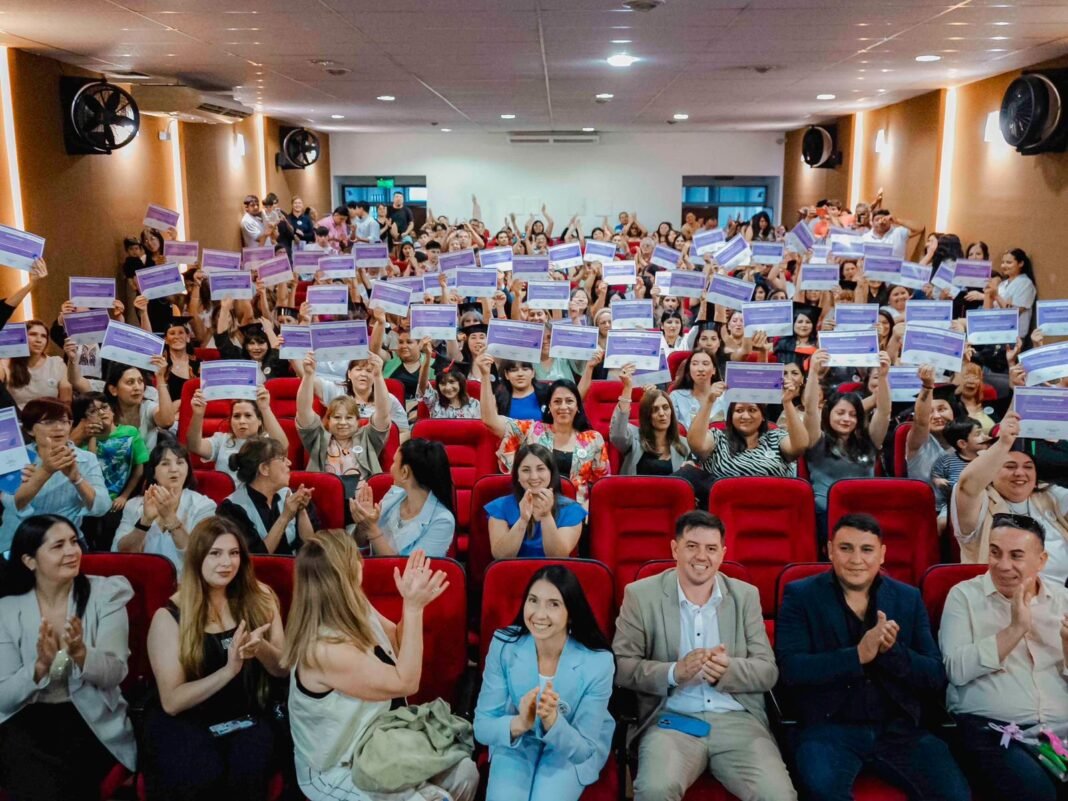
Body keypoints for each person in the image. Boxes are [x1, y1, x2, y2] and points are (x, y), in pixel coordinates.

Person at [775, 513, 969, 801]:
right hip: (828, 728)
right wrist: (857, 655)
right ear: (829, 550)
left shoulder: (907, 598)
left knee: (955, 795)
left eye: (866, 549)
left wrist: (894, 653)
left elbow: (934, 676)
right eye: (845, 548)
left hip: (899, 729)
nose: (856, 559)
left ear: (882, 554)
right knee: (822, 791)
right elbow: (791, 670)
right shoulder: (801, 596)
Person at [613, 510, 795, 801]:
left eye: (711, 549)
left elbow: (767, 671)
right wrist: (675, 672)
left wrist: (728, 671)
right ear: (674, 549)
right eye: (692, 546)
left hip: (738, 720)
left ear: (722, 554)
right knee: (654, 791)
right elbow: (621, 666)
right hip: (670, 720)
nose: (702, 556)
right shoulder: (640, 595)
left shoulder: (745, 596)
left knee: (778, 796)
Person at [283, 534, 479, 801]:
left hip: (379, 741)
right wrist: (413, 608)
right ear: (342, 572)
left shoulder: (355, 605)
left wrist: (412, 599)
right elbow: (407, 682)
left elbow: (398, 644)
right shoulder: (324, 650)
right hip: (339, 767)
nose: (361, 562)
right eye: (354, 556)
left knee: (466, 773)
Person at [144, 517, 286, 800]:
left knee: (247, 769)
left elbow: (282, 670)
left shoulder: (262, 597)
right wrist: (229, 670)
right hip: (189, 717)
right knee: (202, 774)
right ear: (197, 557)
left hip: (248, 711)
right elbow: (172, 702)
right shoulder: (169, 616)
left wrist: (261, 650)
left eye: (234, 553)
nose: (227, 563)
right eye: (215, 554)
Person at [0, 514, 137, 801]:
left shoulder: (106, 593)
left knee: (66, 776)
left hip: (87, 717)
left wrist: (82, 655)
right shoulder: (7, 610)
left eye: (74, 542)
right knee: (28, 766)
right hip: (24, 717)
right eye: (58, 545)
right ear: (29, 561)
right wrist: (38, 668)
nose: (72, 551)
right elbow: (4, 697)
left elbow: (116, 673)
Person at [939, 513, 1068, 801]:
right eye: (995, 553)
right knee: (1037, 794)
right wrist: (1015, 629)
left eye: (1016, 556)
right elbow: (956, 671)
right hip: (990, 728)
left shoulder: (1063, 601)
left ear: (1042, 561)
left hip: (1059, 731)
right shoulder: (964, 596)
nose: (1003, 565)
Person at [474, 565, 615, 801]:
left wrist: (553, 723)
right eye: (533, 600)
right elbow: (482, 727)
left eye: (554, 604)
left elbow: (583, 750)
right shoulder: (504, 645)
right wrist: (519, 723)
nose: (539, 614)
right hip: (517, 740)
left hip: (569, 745)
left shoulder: (598, 662)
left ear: (571, 612)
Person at [479, 354, 608, 508]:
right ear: (549, 407)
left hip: (578, 512)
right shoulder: (533, 430)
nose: (563, 407)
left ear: (577, 406)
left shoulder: (593, 439)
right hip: (535, 509)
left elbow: (603, 487)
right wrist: (485, 375)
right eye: (557, 402)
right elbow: (489, 419)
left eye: (569, 401)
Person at [952, 411, 1068, 583]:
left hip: (1059, 600)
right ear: (992, 473)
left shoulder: (1050, 497)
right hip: (1001, 601)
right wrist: (1004, 442)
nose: (1020, 473)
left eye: (1028, 467)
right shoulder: (981, 502)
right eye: (1010, 466)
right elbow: (968, 484)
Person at [1, 399, 110, 553]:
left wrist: (77, 479)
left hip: (65, 542)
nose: (59, 427)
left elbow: (102, 507)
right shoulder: (15, 457)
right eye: (48, 422)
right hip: (18, 542)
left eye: (64, 421)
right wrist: (46, 471)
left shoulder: (86, 459)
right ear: (30, 429)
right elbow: (12, 503)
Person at [803, 350, 892, 535]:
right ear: (828, 415)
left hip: (865, 516)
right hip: (825, 516)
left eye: (853, 415)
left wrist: (883, 377)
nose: (846, 419)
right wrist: (813, 372)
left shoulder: (870, 440)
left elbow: (884, 412)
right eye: (840, 413)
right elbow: (810, 410)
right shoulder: (816, 440)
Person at [679, 381, 808, 506]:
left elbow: (800, 446)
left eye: (752, 410)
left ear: (763, 416)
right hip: (726, 511)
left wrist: (787, 402)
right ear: (731, 416)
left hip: (771, 508)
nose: (745, 416)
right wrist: (709, 401)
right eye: (739, 410)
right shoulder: (718, 437)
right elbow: (695, 443)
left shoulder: (776, 437)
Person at [113, 440, 216, 572]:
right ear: (153, 473)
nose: (174, 469)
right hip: (143, 578)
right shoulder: (133, 506)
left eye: (180, 462)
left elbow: (201, 556)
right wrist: (145, 522)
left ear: (188, 469)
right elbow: (122, 553)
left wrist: (170, 518)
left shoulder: (203, 506)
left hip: (187, 582)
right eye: (165, 464)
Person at [349, 439, 456, 557]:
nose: (391, 468)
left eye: (394, 462)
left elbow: (408, 569)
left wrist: (372, 529)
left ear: (405, 472)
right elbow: (361, 546)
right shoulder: (394, 494)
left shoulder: (442, 520)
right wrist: (363, 525)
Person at [297, 351, 391, 479]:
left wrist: (378, 376)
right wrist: (308, 375)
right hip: (324, 494)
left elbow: (383, 412)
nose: (343, 422)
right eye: (336, 417)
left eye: (349, 418)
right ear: (328, 420)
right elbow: (303, 410)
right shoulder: (318, 438)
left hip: (363, 495)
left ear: (358, 421)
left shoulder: (368, 437)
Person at [485, 444, 587, 559]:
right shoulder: (499, 507)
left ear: (551, 473)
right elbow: (501, 556)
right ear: (517, 475)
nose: (533, 476)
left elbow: (557, 556)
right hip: (512, 573)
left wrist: (546, 516)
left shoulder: (571, 510)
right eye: (526, 470)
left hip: (553, 575)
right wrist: (523, 520)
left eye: (540, 469)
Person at [218, 438, 315, 555]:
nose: (289, 463)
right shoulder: (231, 509)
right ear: (264, 468)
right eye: (282, 459)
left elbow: (312, 548)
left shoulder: (292, 496)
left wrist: (302, 511)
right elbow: (255, 557)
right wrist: (285, 517)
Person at [186, 386, 289, 483]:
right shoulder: (221, 440)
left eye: (248, 415)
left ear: (259, 420)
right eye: (236, 416)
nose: (242, 421)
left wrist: (265, 408)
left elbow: (282, 447)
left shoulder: (267, 442)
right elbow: (194, 446)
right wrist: (198, 414)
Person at [611, 366, 690, 476]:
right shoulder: (634, 437)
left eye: (666, 407)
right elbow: (617, 435)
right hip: (635, 492)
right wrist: (628, 388)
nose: (662, 413)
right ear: (647, 415)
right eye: (655, 409)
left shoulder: (685, 445)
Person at [905, 368, 961, 490]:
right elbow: (921, 422)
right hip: (927, 506)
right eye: (929, 412)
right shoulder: (919, 443)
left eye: (942, 409)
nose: (936, 416)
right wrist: (927, 387)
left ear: (953, 411)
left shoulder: (966, 439)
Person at [0, 319, 76, 409]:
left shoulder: (56, 363)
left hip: (50, 419)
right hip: (19, 420)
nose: (39, 340)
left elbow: (66, 401)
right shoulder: (5, 363)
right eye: (33, 334)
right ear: (21, 337)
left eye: (43, 336)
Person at [104, 358, 176, 453]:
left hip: (148, 466)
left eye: (140, 381)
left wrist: (160, 378)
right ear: (113, 390)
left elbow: (167, 421)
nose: (137, 387)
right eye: (130, 382)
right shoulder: (104, 412)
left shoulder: (148, 407)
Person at [669, 349, 726, 430]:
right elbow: (670, 430)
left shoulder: (725, 396)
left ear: (714, 370)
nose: (700, 369)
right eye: (695, 364)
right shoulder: (676, 396)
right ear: (689, 370)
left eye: (705, 364)